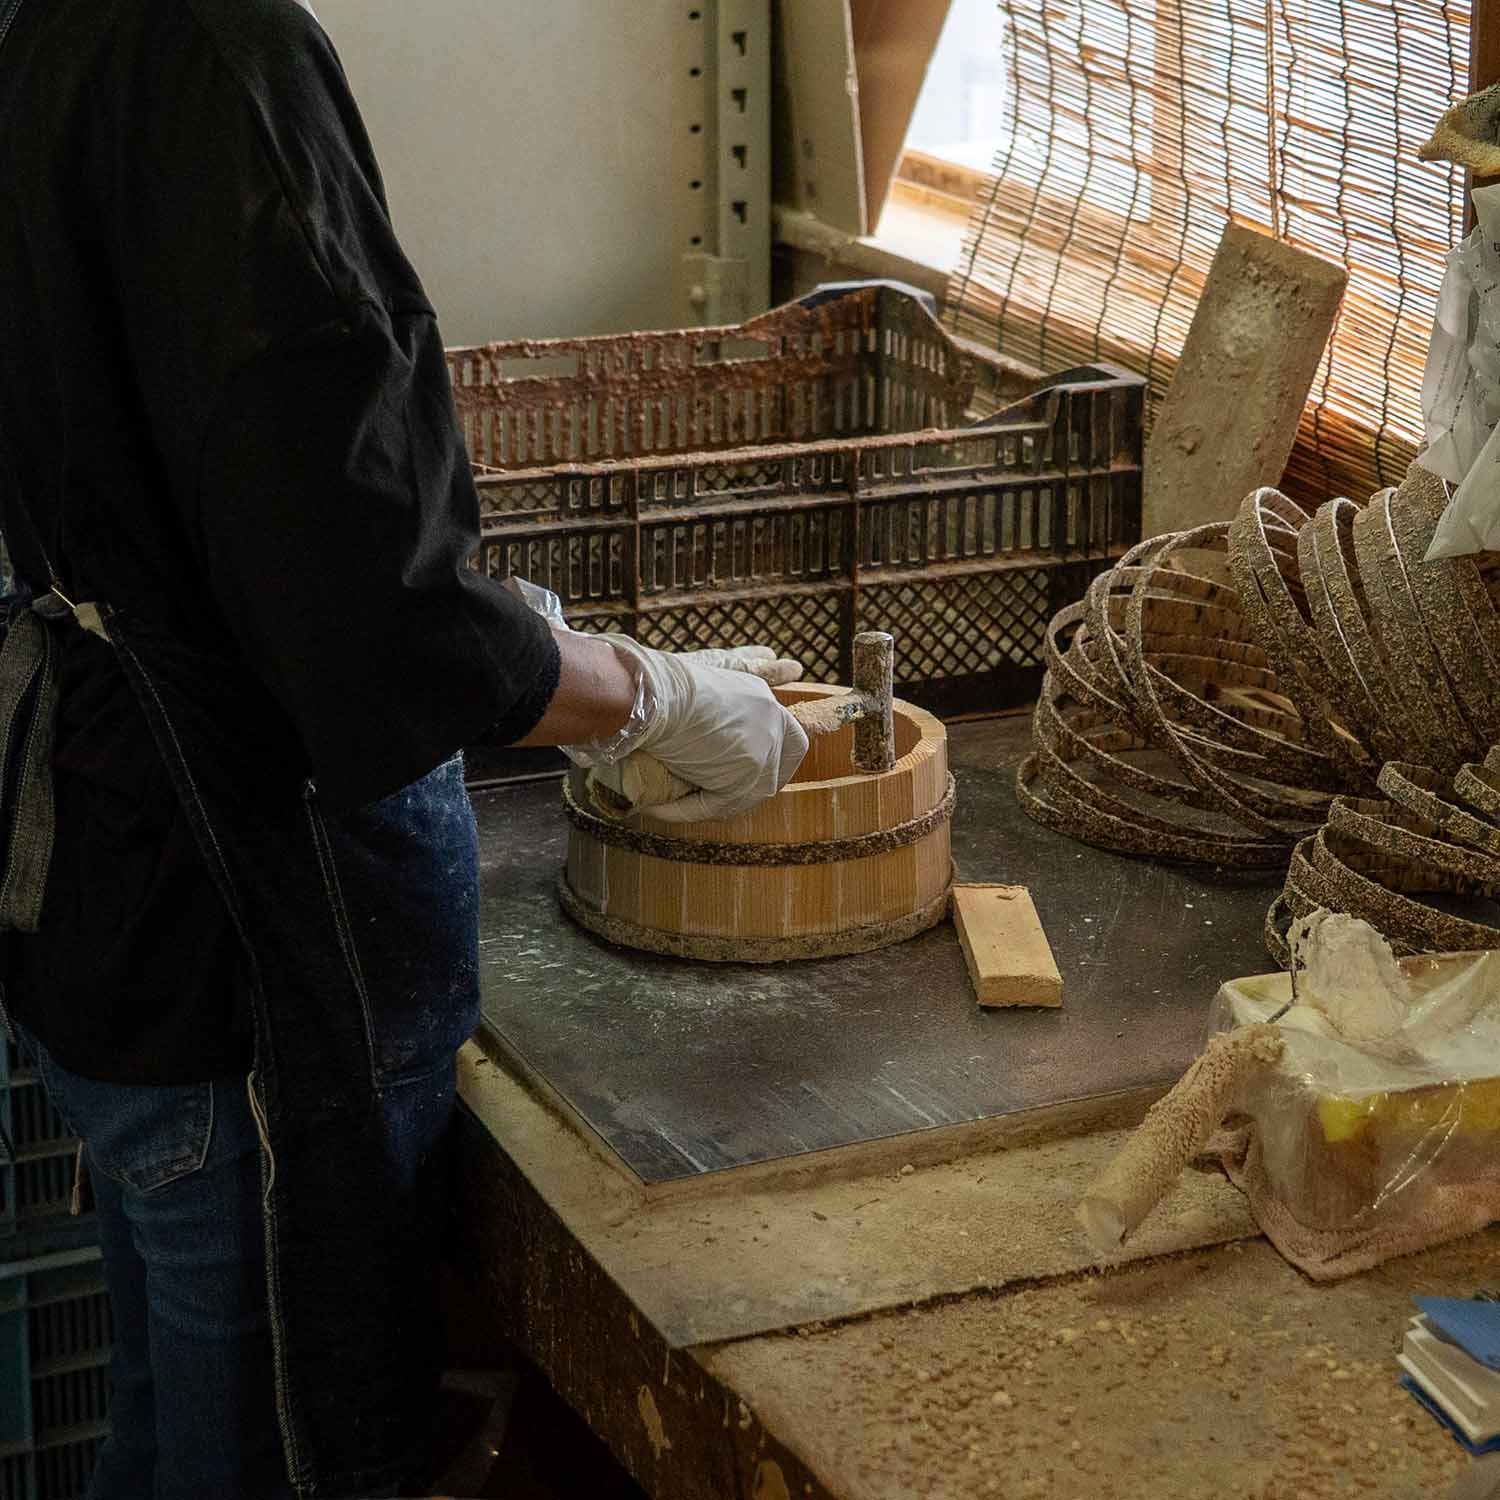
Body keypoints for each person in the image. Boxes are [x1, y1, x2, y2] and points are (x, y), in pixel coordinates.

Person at [0, 0, 807, 1495]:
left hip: (112, 873)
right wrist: (642, 695)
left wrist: (515, 638)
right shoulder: (206, 48)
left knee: (169, 1436)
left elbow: (194, 480)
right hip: (238, 931)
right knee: (275, 1457)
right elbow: (365, 603)